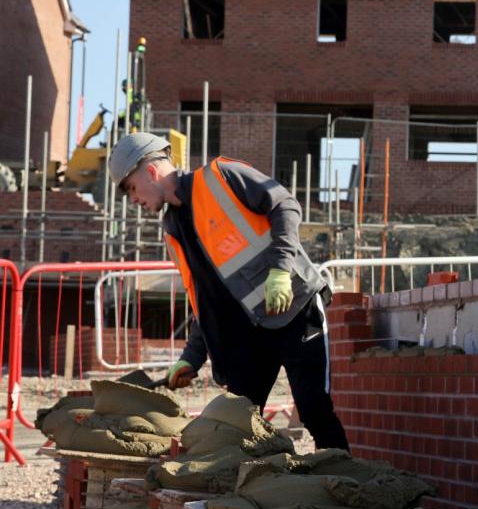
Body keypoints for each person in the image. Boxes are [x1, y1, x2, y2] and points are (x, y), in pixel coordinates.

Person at [109, 134, 349, 450]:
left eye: (130, 188)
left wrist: (280, 269)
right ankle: (257, 489)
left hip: (296, 307)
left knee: (314, 410)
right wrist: (190, 358)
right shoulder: (173, 230)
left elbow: (285, 205)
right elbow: (206, 300)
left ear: (150, 172)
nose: (133, 199)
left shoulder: (221, 177)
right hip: (251, 334)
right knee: (236, 423)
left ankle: (342, 481)